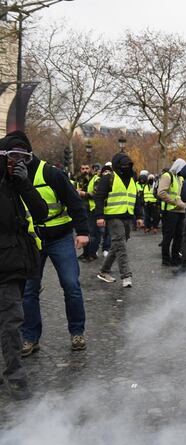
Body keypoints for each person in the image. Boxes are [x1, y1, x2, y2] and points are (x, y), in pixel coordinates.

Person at [11, 131, 91, 356]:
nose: (15, 160)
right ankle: (30, 338)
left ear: (28, 153)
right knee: (29, 290)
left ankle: (77, 332)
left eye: (19, 155)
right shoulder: (11, 175)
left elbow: (74, 203)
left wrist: (83, 232)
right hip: (31, 240)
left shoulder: (51, 173)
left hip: (60, 237)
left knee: (71, 286)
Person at [0, 141, 47, 399]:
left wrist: (24, 184)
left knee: (10, 317)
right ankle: (16, 375)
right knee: (11, 319)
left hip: (16, 261)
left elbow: (40, 212)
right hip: (5, 261)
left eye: (22, 158)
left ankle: (14, 372)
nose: (16, 163)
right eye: (12, 157)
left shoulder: (18, 184)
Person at [94, 152, 144, 287]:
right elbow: (98, 197)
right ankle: (126, 276)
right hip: (113, 217)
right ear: (117, 165)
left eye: (128, 165)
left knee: (117, 245)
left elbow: (137, 199)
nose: (126, 167)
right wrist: (100, 216)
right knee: (121, 246)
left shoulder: (132, 179)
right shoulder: (108, 178)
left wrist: (139, 216)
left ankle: (104, 271)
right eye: (124, 165)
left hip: (128, 217)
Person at [158, 159, 186, 266]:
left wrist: (184, 204)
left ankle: (175, 257)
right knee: (168, 236)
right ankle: (165, 259)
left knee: (179, 236)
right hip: (170, 211)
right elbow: (161, 193)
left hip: (180, 211)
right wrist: (175, 202)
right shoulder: (167, 176)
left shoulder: (180, 178)